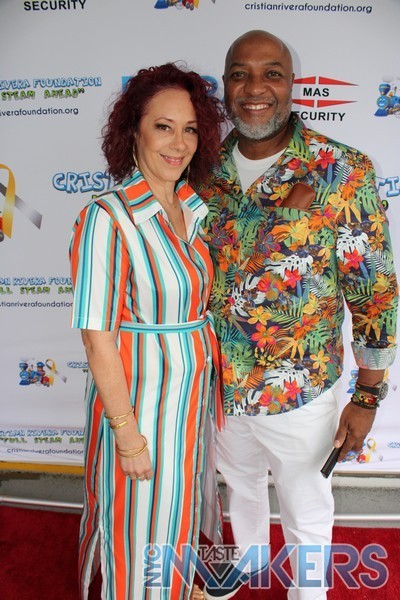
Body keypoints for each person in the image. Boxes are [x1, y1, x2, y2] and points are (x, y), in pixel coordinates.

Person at [196, 30, 398, 599]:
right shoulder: (200, 171)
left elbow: (374, 292)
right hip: (219, 384)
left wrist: (367, 395)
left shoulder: (342, 171)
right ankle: (248, 562)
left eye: (272, 73)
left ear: (292, 84)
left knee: (306, 503)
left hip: (299, 390)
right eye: (240, 74)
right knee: (239, 485)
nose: (255, 87)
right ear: (225, 86)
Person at [69, 62, 225, 600]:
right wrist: (127, 434)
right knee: (139, 529)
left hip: (188, 404)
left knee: (175, 519)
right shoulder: (108, 217)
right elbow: (96, 337)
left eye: (190, 129)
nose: (179, 143)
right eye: (163, 127)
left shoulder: (191, 209)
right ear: (132, 131)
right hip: (141, 407)